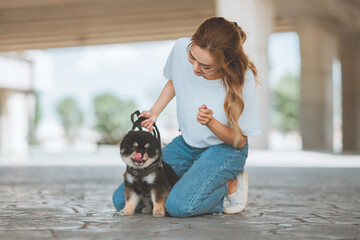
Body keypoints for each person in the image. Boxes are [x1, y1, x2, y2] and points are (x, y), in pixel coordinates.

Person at [113, 16, 262, 217]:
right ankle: (195, 178)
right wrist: (155, 111)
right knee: (121, 199)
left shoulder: (243, 77)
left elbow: (239, 141)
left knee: (179, 206)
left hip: (224, 150)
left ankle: (229, 184)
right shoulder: (181, 47)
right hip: (186, 145)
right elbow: (176, 80)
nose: (195, 69)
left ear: (225, 62)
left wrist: (210, 122)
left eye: (206, 67)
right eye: (192, 58)